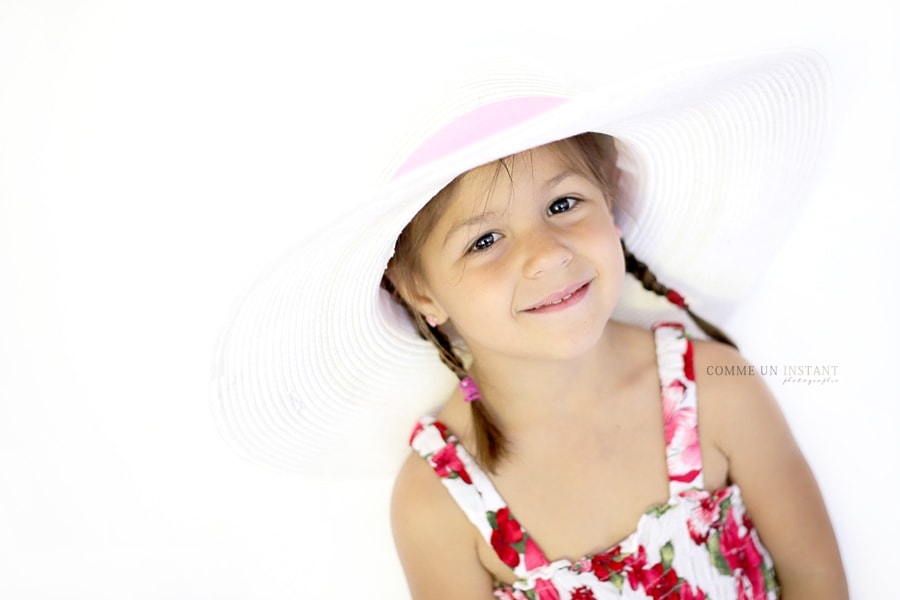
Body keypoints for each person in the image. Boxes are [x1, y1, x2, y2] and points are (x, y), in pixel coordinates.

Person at [210, 51, 847, 598]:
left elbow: (821, 583)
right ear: (419, 291)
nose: (545, 254)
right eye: (484, 240)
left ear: (614, 202)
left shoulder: (719, 392)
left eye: (563, 204)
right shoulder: (439, 504)